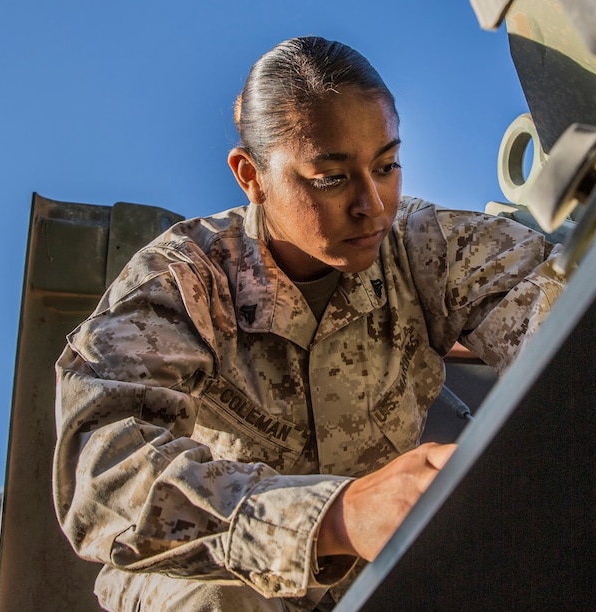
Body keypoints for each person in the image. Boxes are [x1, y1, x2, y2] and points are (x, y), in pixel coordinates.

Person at [53, 36, 565, 611]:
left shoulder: (425, 246)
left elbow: (568, 326)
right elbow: (102, 477)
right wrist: (335, 517)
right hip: (223, 575)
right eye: (330, 178)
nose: (372, 204)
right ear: (252, 176)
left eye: (387, 165)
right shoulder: (183, 282)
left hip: (377, 577)